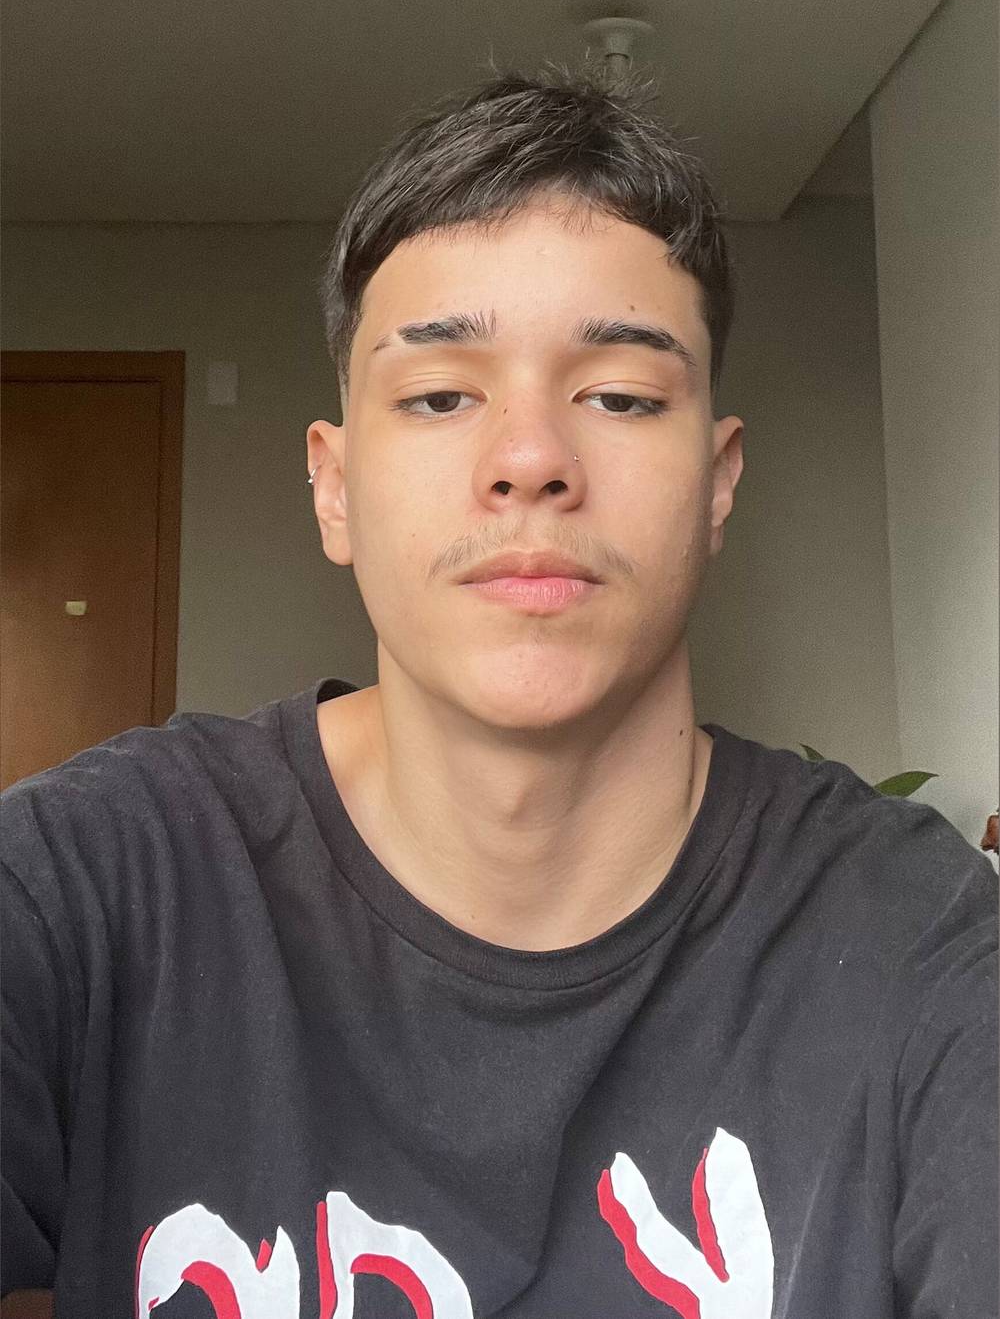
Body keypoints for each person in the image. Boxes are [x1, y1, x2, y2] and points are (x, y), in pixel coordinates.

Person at [2, 70, 996, 1317]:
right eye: (438, 395)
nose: (529, 458)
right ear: (334, 487)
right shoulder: (91, 884)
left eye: (620, 395)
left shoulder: (915, 937)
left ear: (717, 481)